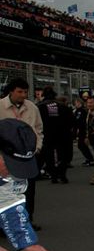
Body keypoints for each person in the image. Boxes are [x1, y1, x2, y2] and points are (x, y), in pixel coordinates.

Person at [0, 119, 51, 251]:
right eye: (9, 164)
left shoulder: (10, 176)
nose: (12, 172)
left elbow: (9, 204)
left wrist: (26, 243)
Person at [0, 78, 44, 229]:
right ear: (11, 91)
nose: (23, 95)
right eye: (19, 91)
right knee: (6, 190)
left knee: (28, 190)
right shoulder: (0, 106)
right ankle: (6, 224)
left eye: (25, 92)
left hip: (27, 156)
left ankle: (27, 220)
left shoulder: (32, 107)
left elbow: (38, 129)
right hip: (7, 157)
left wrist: (37, 147)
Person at [37, 86, 73, 184]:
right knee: (64, 155)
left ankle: (53, 175)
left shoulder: (39, 106)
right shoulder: (63, 105)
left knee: (48, 155)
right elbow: (71, 120)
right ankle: (62, 174)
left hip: (47, 134)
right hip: (63, 134)